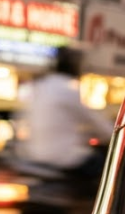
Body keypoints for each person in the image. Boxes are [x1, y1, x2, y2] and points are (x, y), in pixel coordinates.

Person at [17, 46, 113, 177]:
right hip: (64, 159)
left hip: (35, 156)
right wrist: (112, 133)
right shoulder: (68, 89)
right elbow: (95, 120)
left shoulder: (40, 86)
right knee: (105, 168)